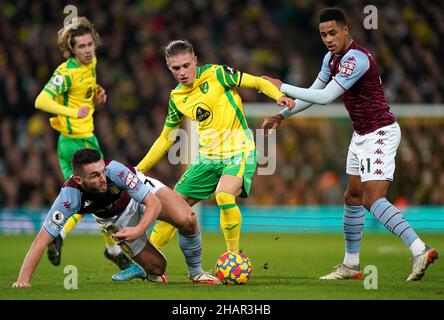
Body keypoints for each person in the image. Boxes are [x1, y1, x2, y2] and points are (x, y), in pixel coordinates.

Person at [261, 7, 438, 281]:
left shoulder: (357, 59)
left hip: (380, 132)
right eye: (323, 34)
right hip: (360, 135)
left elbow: (326, 97)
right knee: (352, 197)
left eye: (333, 32)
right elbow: (314, 93)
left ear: (346, 30)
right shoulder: (330, 59)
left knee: (373, 200)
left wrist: (281, 85)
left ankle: (419, 249)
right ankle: (350, 265)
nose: (329, 39)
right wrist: (282, 115)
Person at [137, 39, 294, 257]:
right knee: (173, 209)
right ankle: (146, 262)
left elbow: (258, 82)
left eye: (186, 65)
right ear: (168, 67)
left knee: (224, 195)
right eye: (176, 68)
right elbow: (166, 138)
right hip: (207, 158)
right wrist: (139, 169)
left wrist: (279, 96)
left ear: (195, 61)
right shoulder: (176, 98)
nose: (182, 72)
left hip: (239, 150)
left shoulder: (218, 74)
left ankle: (233, 256)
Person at [12, 148, 220, 288]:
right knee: (157, 269)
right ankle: (143, 268)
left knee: (188, 218)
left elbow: (153, 204)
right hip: (115, 220)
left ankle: (196, 272)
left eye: (102, 172)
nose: (103, 178)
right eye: (94, 176)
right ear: (78, 179)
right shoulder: (69, 197)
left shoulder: (115, 171)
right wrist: (23, 280)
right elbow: (43, 238)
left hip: (139, 194)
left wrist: (138, 230)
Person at [34, 16, 131, 270]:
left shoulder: (92, 64)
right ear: (71, 50)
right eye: (81, 47)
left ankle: (109, 248)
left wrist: (96, 91)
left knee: (78, 196)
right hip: (80, 143)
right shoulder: (65, 73)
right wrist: (71, 113)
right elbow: (41, 101)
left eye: (90, 45)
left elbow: (84, 87)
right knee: (100, 194)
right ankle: (62, 236)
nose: (87, 50)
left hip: (70, 143)